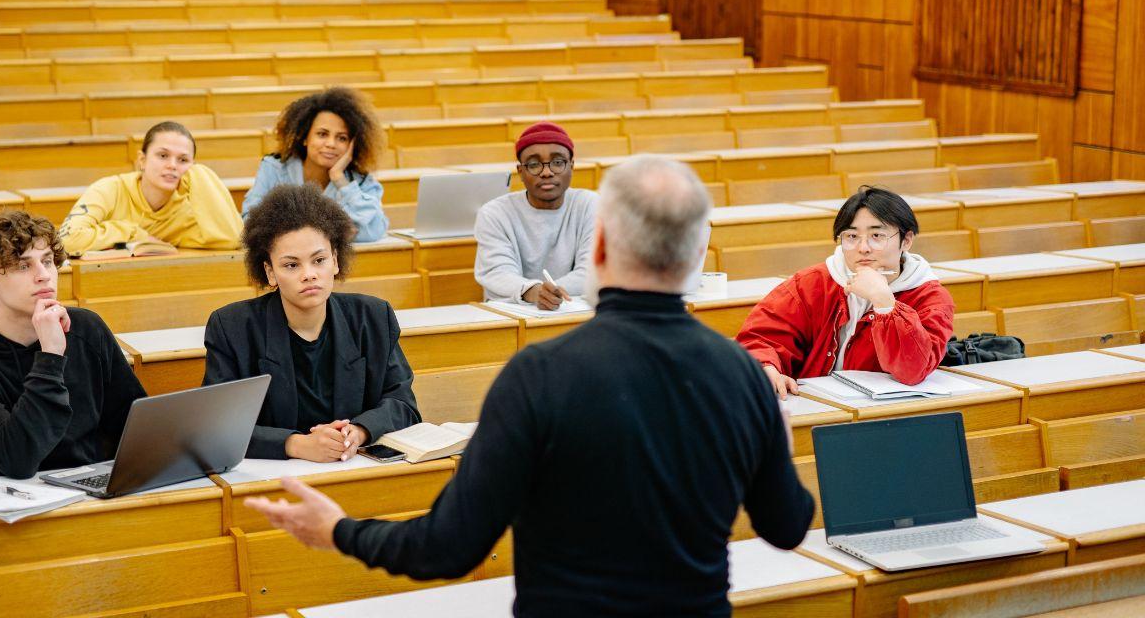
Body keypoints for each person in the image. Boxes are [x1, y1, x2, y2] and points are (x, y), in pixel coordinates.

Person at [245, 156, 814, 616]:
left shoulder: (540, 374)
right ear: (696, 253)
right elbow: (788, 527)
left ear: (598, 250)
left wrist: (338, 530)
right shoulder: (741, 373)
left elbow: (448, 547)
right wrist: (775, 446)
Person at [203, 184, 420, 462]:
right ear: (270, 272)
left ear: (335, 261)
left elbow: (403, 404)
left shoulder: (373, 317)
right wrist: (295, 444)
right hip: (274, 477)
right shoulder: (231, 328)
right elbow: (218, 426)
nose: (309, 274)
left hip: (353, 467)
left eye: (319, 260)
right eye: (292, 265)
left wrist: (359, 431)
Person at [0, 211, 146, 480]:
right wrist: (51, 357)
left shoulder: (87, 329)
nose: (44, 275)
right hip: (4, 497)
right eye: (23, 266)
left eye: (47, 261)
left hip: (85, 490)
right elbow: (17, 459)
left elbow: (137, 427)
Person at [737, 186, 955, 397]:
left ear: (906, 240)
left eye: (877, 235)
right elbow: (761, 337)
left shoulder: (931, 298)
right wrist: (765, 366)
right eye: (851, 237)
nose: (863, 248)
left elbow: (913, 370)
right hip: (814, 404)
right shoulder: (812, 283)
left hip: (886, 412)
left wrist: (885, 304)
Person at [59, 121, 242, 255]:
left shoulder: (188, 211)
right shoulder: (109, 190)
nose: (172, 165)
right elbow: (67, 240)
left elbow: (232, 240)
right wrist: (134, 233)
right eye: (163, 155)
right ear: (142, 160)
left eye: (183, 160)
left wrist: (199, 174)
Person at [474, 121, 597, 310]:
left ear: (571, 166)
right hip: (512, 313)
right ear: (520, 171)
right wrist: (533, 291)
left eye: (558, 163)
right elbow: (496, 273)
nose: (547, 172)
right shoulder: (494, 213)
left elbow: (593, 270)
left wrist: (550, 293)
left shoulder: (591, 205)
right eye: (534, 164)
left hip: (574, 311)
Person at [240, 86, 389, 242]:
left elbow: (375, 230)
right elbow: (250, 220)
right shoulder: (274, 168)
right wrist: (335, 229)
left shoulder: (360, 181)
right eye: (322, 134)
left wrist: (339, 179)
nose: (331, 144)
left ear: (352, 145)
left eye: (342, 138)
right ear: (305, 137)